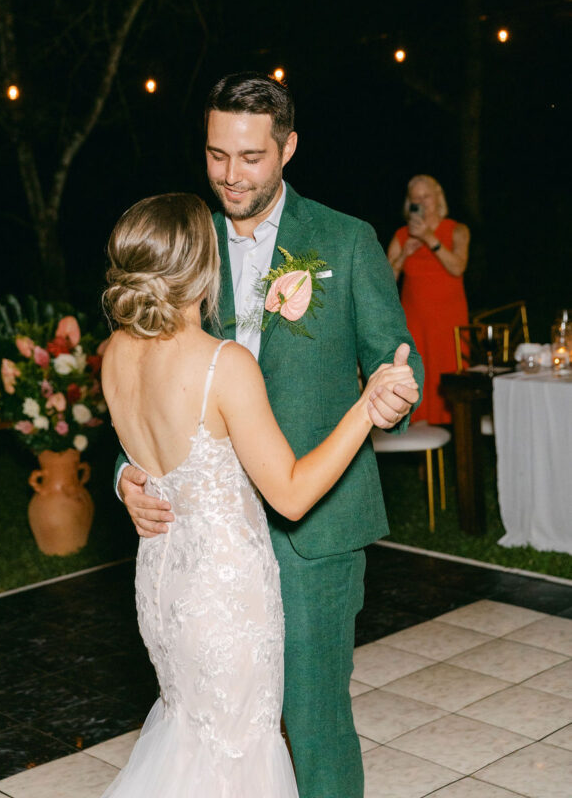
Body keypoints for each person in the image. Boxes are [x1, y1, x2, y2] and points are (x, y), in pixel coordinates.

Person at [118, 72, 423, 798]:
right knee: (221, 729)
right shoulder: (185, 242)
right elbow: (143, 371)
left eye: (250, 157)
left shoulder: (345, 242)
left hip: (311, 527)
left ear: (287, 147)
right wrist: (129, 473)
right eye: (216, 154)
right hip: (209, 541)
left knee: (315, 724)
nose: (230, 174)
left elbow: (394, 359)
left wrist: (394, 393)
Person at [387, 174, 469, 424]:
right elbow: (386, 280)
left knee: (451, 382)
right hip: (415, 323)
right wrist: (403, 257)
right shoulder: (402, 235)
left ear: (438, 198)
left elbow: (458, 267)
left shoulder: (456, 229)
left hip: (448, 323)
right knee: (419, 379)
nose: (421, 202)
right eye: (415, 198)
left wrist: (429, 239)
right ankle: (425, 455)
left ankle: (458, 440)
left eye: (426, 196)